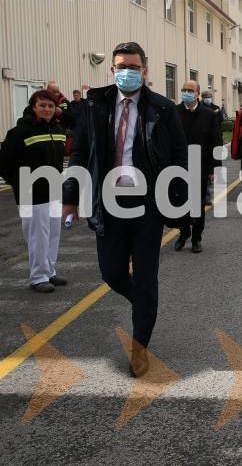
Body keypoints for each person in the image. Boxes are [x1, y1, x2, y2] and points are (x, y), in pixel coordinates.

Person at [62, 41, 189, 378]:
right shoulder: (94, 104)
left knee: (146, 278)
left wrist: (178, 201)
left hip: (149, 204)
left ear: (145, 71)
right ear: (112, 70)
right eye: (121, 67)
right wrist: (70, 197)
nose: (127, 72)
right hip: (109, 202)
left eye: (133, 67)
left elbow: (179, 156)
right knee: (111, 273)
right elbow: (80, 152)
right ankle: (144, 305)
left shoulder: (163, 108)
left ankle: (140, 346)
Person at [0, 90, 69, 293]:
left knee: (53, 234)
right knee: (38, 236)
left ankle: (49, 271)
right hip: (30, 193)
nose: (46, 109)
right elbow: (4, 163)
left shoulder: (58, 129)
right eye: (42, 105)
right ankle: (38, 277)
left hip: (53, 189)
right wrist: (18, 183)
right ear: (33, 107)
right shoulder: (20, 132)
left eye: (50, 106)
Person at [174, 80, 222, 253]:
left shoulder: (208, 114)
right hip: (178, 166)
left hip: (200, 166)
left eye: (190, 90)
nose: (186, 92)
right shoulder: (175, 112)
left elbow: (216, 142)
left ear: (197, 94)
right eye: (184, 89)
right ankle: (184, 232)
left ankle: (196, 238)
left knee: (197, 204)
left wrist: (214, 168)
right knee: (179, 202)